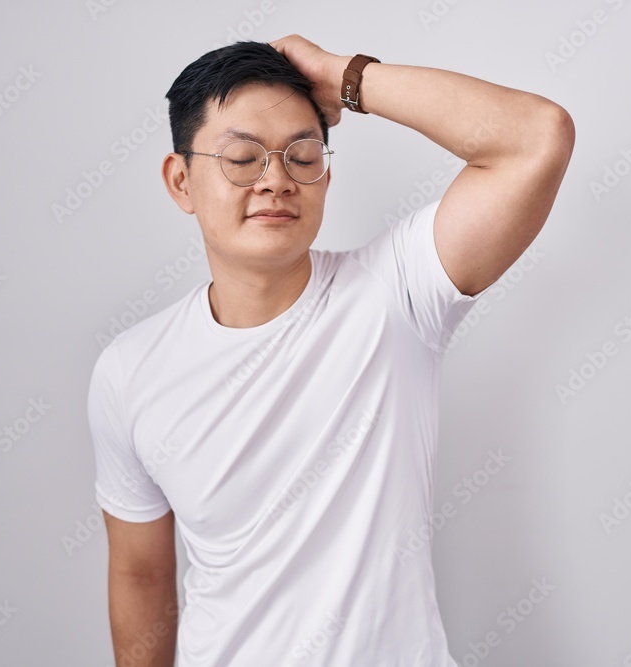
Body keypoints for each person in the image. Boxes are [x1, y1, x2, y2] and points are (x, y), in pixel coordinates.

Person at [88, 34, 574, 667]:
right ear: (181, 181)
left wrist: (348, 76)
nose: (276, 180)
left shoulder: (396, 291)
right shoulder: (129, 371)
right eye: (241, 157)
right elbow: (140, 578)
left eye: (301, 154)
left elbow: (538, 136)